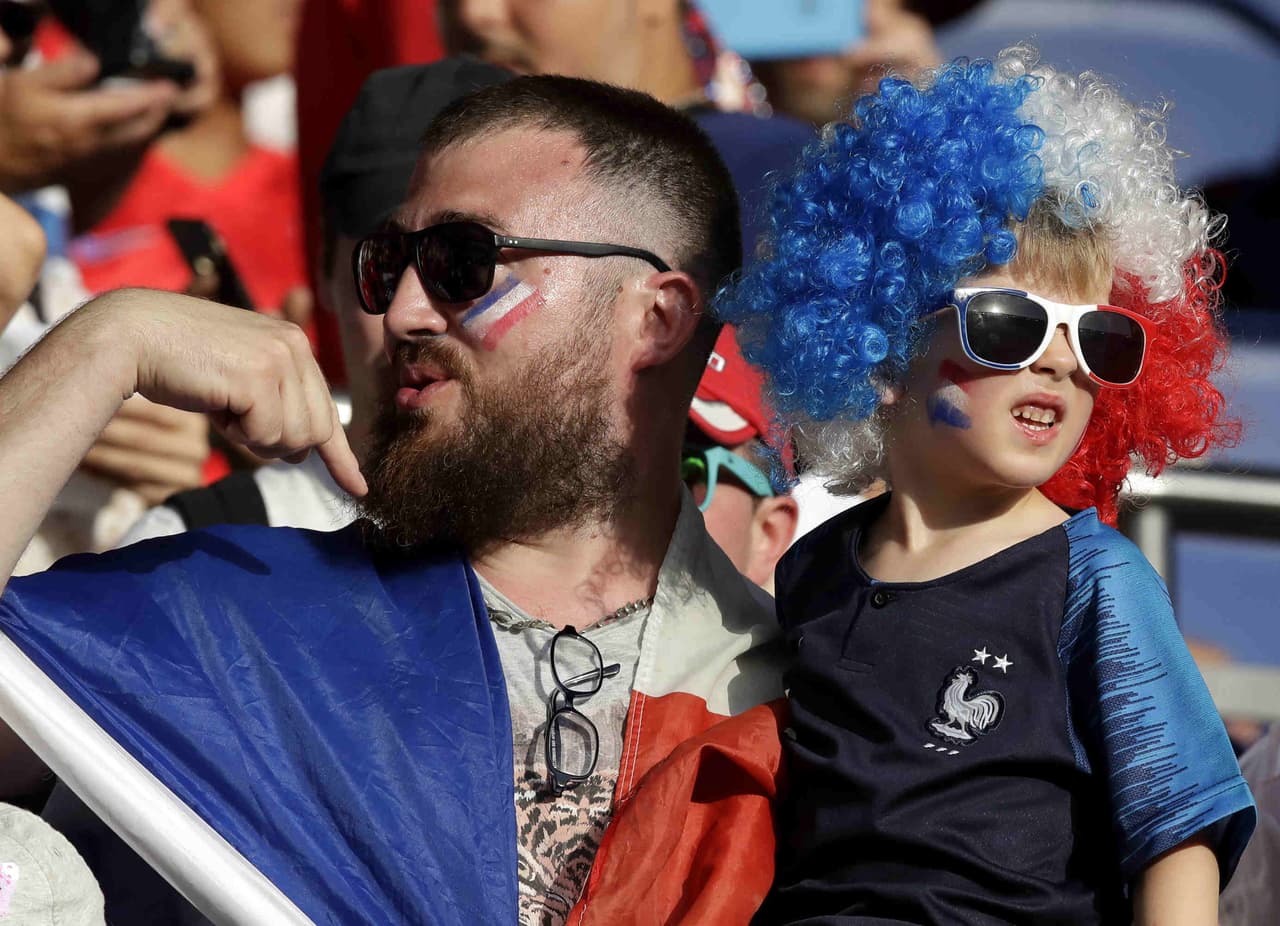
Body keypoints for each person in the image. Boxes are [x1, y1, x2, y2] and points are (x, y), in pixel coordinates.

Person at [0, 76, 786, 924]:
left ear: (657, 317)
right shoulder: (233, 616)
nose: (403, 313)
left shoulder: (804, 706)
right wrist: (102, 344)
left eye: (462, 263)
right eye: (386, 265)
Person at [716, 45, 1255, 923]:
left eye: (1099, 339)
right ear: (885, 346)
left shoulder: (1092, 580)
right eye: (1008, 325)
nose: (1059, 364)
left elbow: (1177, 836)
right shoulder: (813, 572)